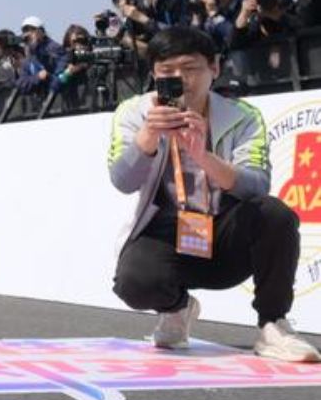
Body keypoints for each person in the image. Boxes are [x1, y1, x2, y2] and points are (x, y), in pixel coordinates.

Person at [108, 26, 319, 362]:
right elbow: (122, 181)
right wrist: (147, 137)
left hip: (225, 232)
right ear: (153, 75)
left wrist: (204, 157)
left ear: (215, 69)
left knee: (274, 213)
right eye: (167, 72)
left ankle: (273, 325)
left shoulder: (242, 116)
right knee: (134, 282)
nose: (181, 80)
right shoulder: (134, 113)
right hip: (167, 232)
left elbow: (256, 186)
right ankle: (177, 308)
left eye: (191, 69)